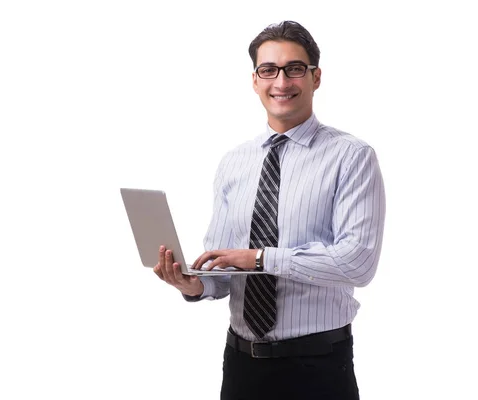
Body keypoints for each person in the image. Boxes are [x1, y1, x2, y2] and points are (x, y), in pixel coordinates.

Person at [153, 20, 385, 400]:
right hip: (242, 365)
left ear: (316, 77)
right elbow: (224, 270)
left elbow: (358, 263)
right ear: (255, 80)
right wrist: (193, 283)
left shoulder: (351, 157)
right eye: (269, 70)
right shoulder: (234, 162)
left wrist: (260, 259)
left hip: (318, 366)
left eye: (295, 68)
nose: (282, 81)